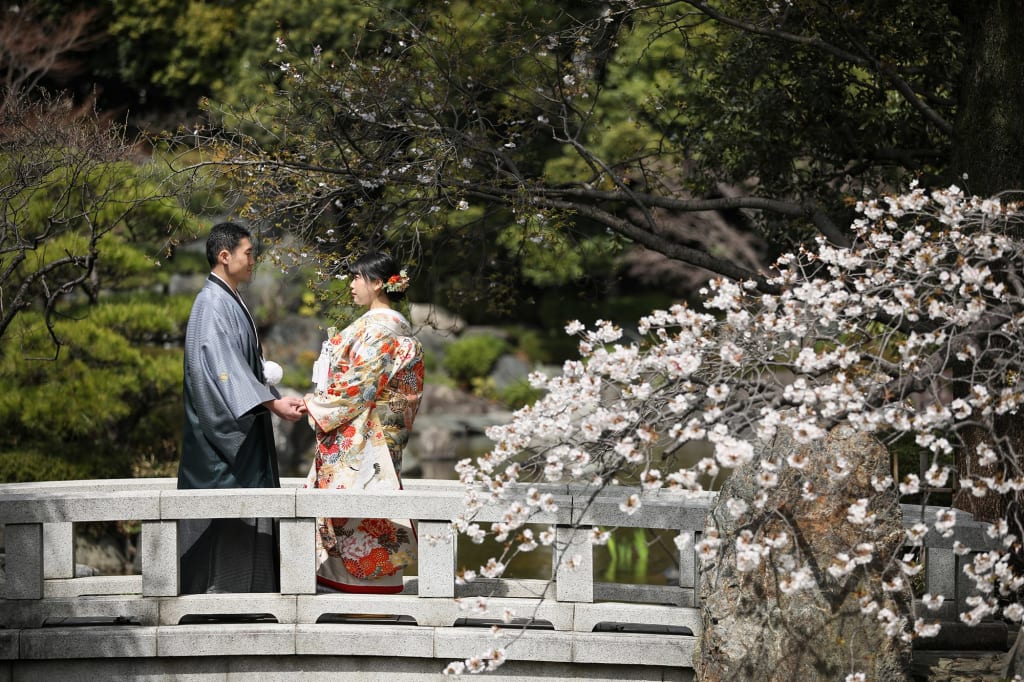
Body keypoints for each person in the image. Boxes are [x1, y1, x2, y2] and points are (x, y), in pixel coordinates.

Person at [177, 221, 305, 594]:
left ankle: (249, 597)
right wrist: (273, 404)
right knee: (224, 517)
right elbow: (224, 371)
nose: (254, 261)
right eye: (249, 254)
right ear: (224, 255)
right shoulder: (212, 303)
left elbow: (241, 369)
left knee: (244, 514)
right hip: (221, 438)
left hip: (243, 427)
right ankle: (215, 600)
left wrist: (272, 395)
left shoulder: (225, 298)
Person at [304, 252, 425, 593]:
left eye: (357, 277)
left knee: (362, 507)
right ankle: (361, 589)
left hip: (368, 438)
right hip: (374, 434)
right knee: (364, 511)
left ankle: (364, 593)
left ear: (376, 283)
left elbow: (359, 386)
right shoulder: (386, 326)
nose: (351, 284)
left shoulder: (382, 329)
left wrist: (316, 404)